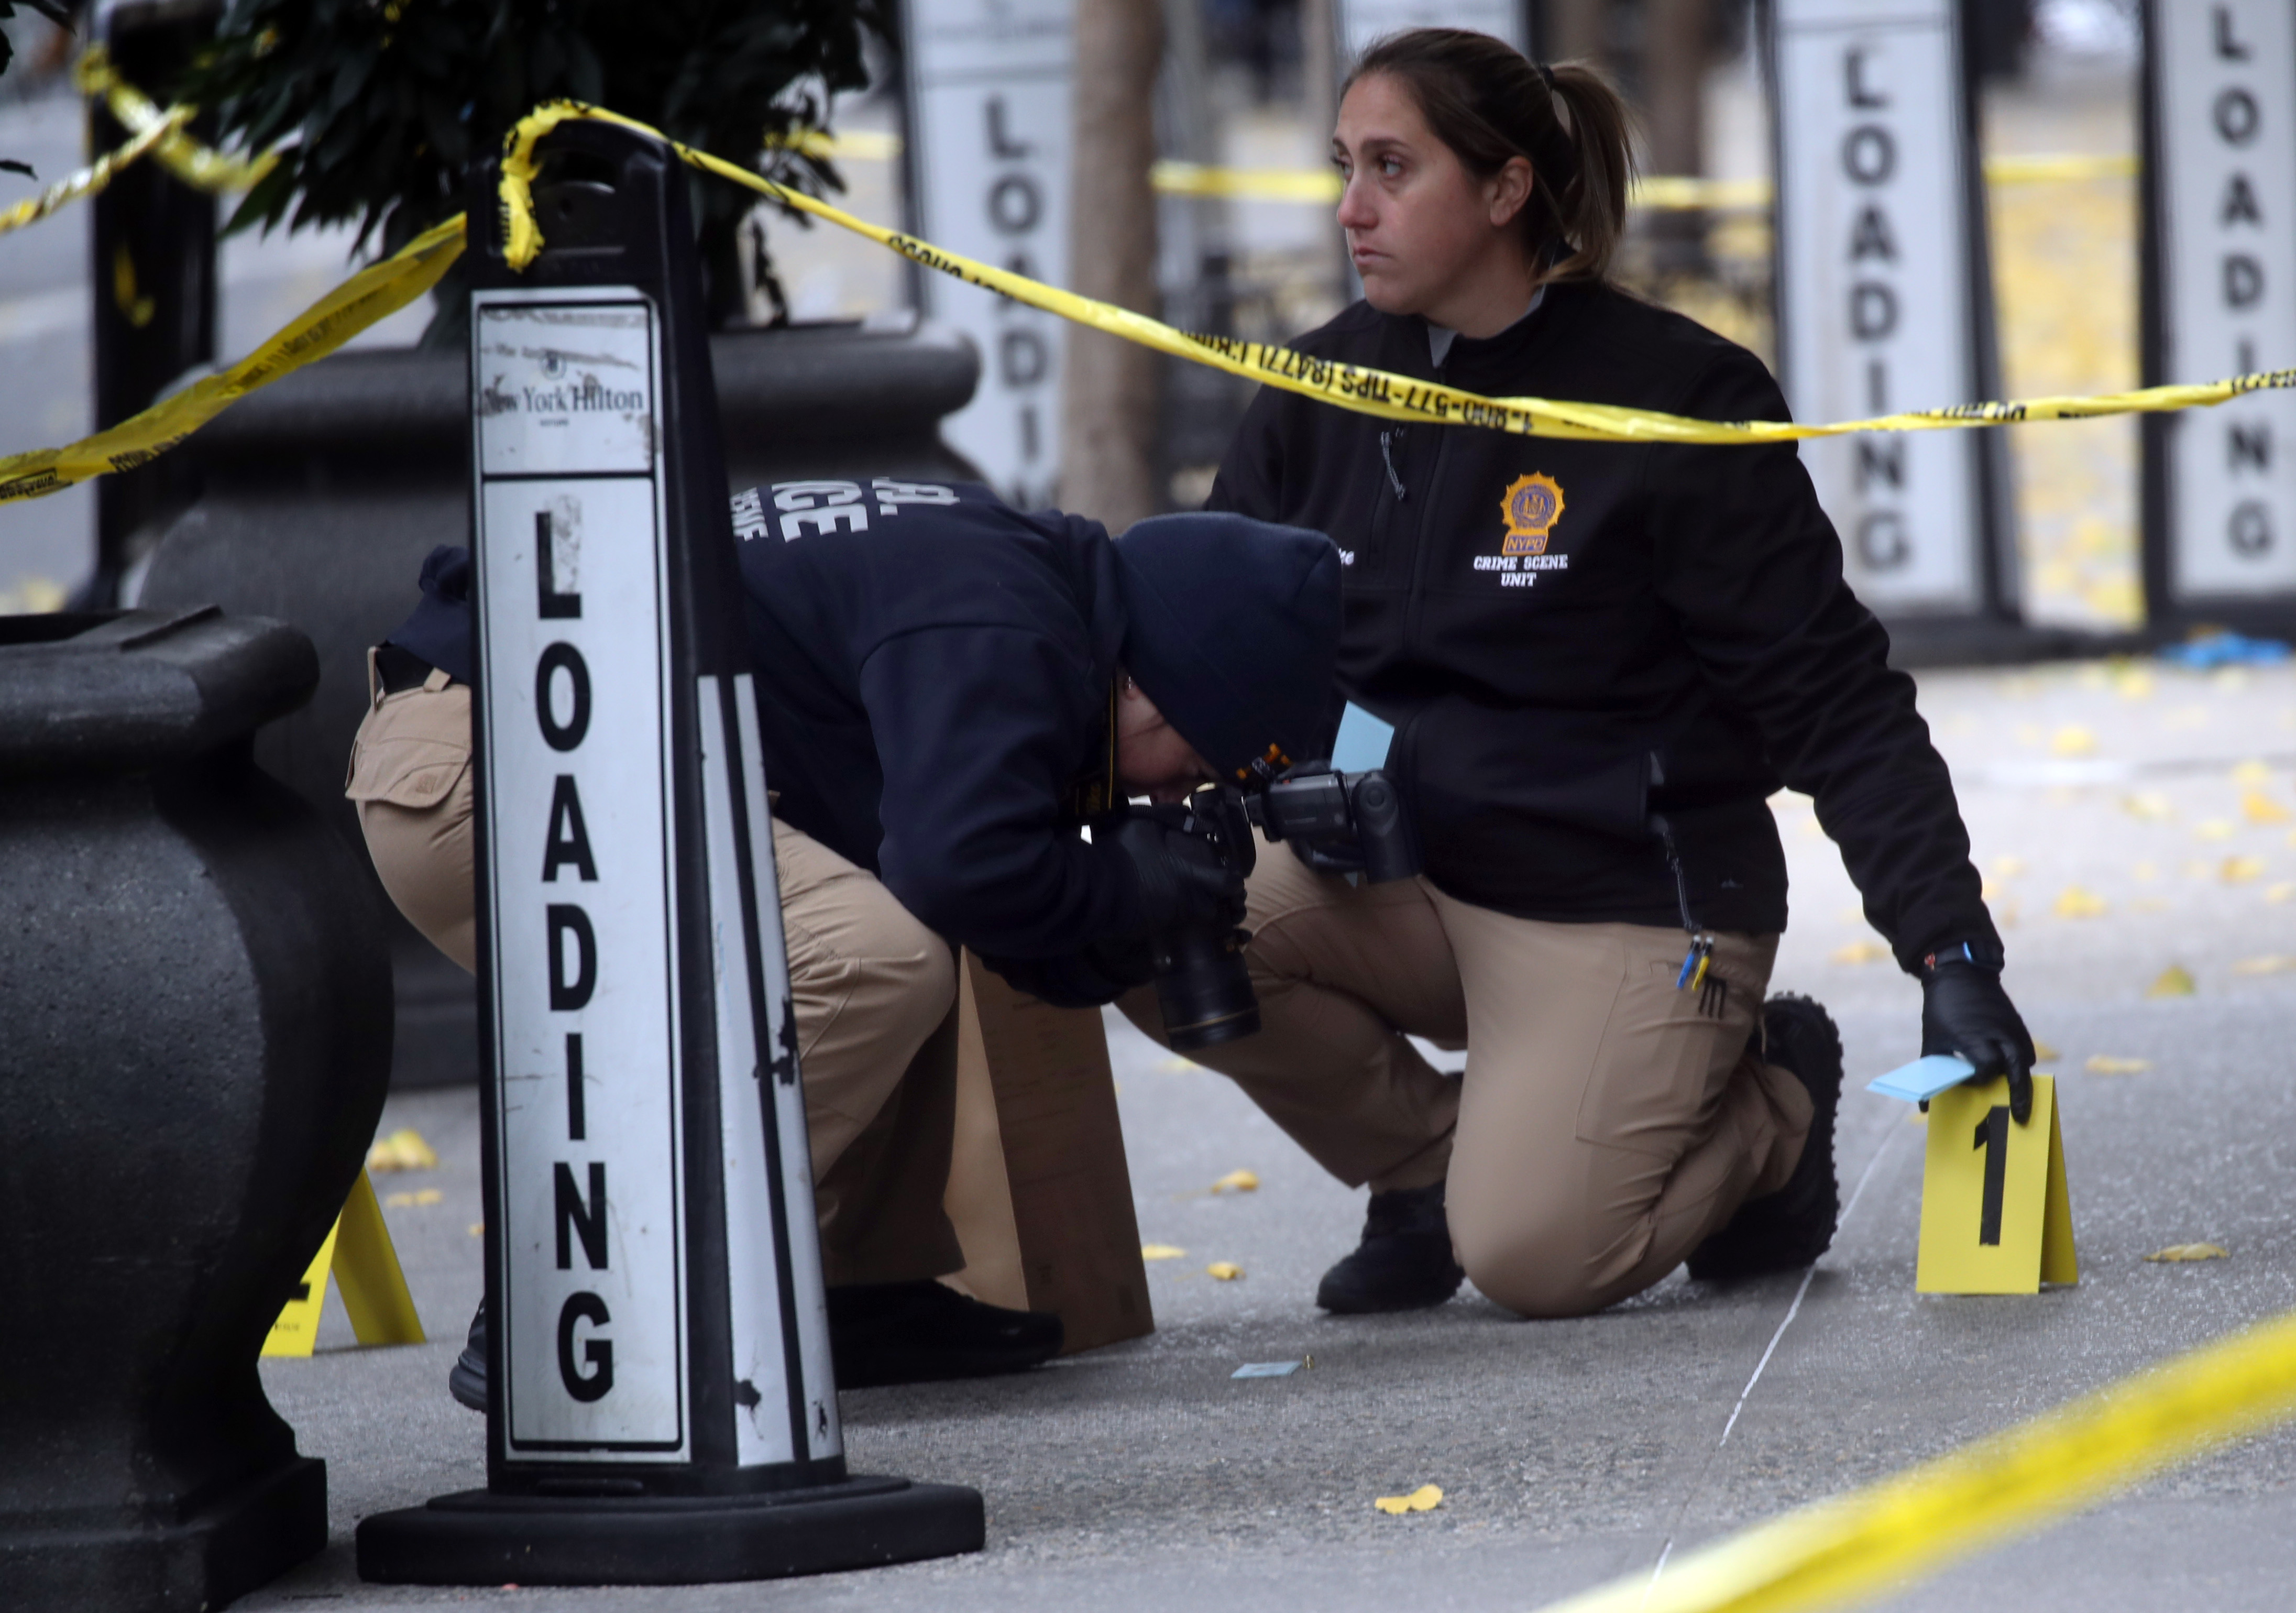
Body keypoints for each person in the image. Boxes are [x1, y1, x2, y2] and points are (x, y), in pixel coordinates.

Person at [1118, 28, 2036, 1320]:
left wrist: (1948, 952)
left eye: (1392, 167)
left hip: (1621, 895)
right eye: (1342, 167)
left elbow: (1833, 693)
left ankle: (1767, 1102)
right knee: (1127, 914)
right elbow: (1205, 650)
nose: (1349, 209)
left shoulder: (1671, 399)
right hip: (1400, 874)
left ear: (1504, 192)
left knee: (1538, 1260)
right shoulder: (1312, 389)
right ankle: (1428, 1169)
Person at [348, 477, 1340, 1402]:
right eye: (1188, 768)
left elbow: (988, 908)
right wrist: (1120, 879)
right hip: (500, 769)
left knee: (890, 916)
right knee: (868, 954)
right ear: (1153, 686)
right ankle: (583, 1286)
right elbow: (964, 867)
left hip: (528, 737)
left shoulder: (1023, 589)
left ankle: (850, 1291)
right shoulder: (1009, 626)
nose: (1169, 797)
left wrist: (1133, 918)